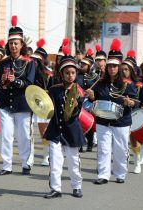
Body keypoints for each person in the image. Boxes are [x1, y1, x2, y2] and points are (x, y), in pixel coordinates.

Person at [86, 39, 137, 184]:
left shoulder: (128, 84)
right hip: (103, 120)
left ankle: (120, 174)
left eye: (114, 66)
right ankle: (103, 175)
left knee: (121, 149)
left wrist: (130, 102)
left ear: (119, 67)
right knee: (103, 148)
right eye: (109, 66)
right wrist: (91, 96)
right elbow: (94, 100)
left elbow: (134, 102)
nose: (112, 69)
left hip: (121, 121)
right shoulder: (101, 82)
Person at [43, 46, 86, 199]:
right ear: (61, 74)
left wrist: (74, 108)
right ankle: (55, 188)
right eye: (67, 73)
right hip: (55, 130)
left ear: (76, 74)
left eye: (73, 73)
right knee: (55, 162)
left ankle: (76, 186)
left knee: (74, 163)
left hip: (71, 132)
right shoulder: (54, 89)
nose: (70, 75)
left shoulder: (78, 91)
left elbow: (75, 114)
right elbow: (47, 106)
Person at [0, 16, 35, 176]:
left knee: (24, 136)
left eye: (16, 43)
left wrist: (16, 81)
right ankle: (6, 165)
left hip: (22, 104)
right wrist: (3, 81)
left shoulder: (29, 62)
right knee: (5, 135)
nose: (13, 46)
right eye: (11, 43)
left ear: (21, 45)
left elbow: (30, 83)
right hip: (5, 103)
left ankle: (26, 163)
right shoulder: (3, 62)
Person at [30, 38, 53, 166]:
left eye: (35, 60)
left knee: (43, 132)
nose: (32, 62)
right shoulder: (29, 72)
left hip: (44, 105)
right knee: (29, 132)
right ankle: (30, 157)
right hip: (30, 104)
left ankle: (46, 155)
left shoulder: (49, 74)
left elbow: (53, 91)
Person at [76, 48, 98, 152]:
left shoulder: (94, 77)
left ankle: (90, 143)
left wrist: (91, 94)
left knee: (90, 123)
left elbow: (97, 90)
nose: (82, 66)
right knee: (80, 124)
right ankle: (80, 144)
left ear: (89, 66)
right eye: (81, 64)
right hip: (80, 101)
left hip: (90, 102)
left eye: (84, 65)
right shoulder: (77, 76)